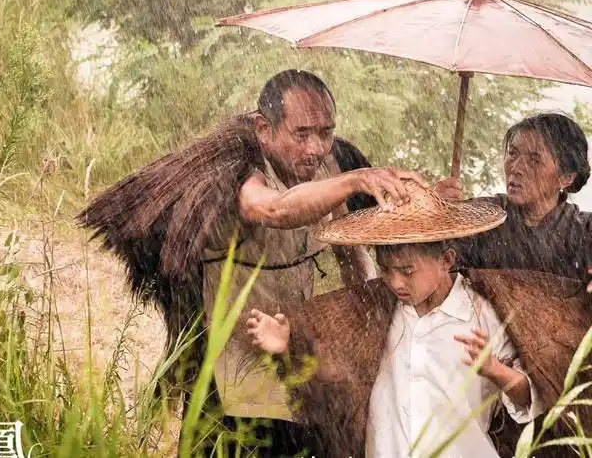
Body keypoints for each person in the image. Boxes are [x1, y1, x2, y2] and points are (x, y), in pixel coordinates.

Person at [77, 69, 426, 456]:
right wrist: (356, 180)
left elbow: (357, 236)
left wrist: (362, 304)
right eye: (302, 134)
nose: (316, 148)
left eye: (325, 132)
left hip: (289, 346)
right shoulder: (238, 168)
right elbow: (273, 209)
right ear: (264, 129)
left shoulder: (335, 163)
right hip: (229, 356)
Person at [244, 180, 589, 457]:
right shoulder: (374, 311)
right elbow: (339, 377)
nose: (395, 282)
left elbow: (532, 397)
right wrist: (288, 345)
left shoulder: (484, 312)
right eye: (386, 269)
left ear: (446, 259)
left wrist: (495, 371)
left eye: (407, 271)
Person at [436, 112, 592, 291]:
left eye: (534, 160)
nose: (515, 168)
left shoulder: (585, 233)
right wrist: (437, 215)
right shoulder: (480, 217)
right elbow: (432, 268)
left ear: (566, 178)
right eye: (512, 153)